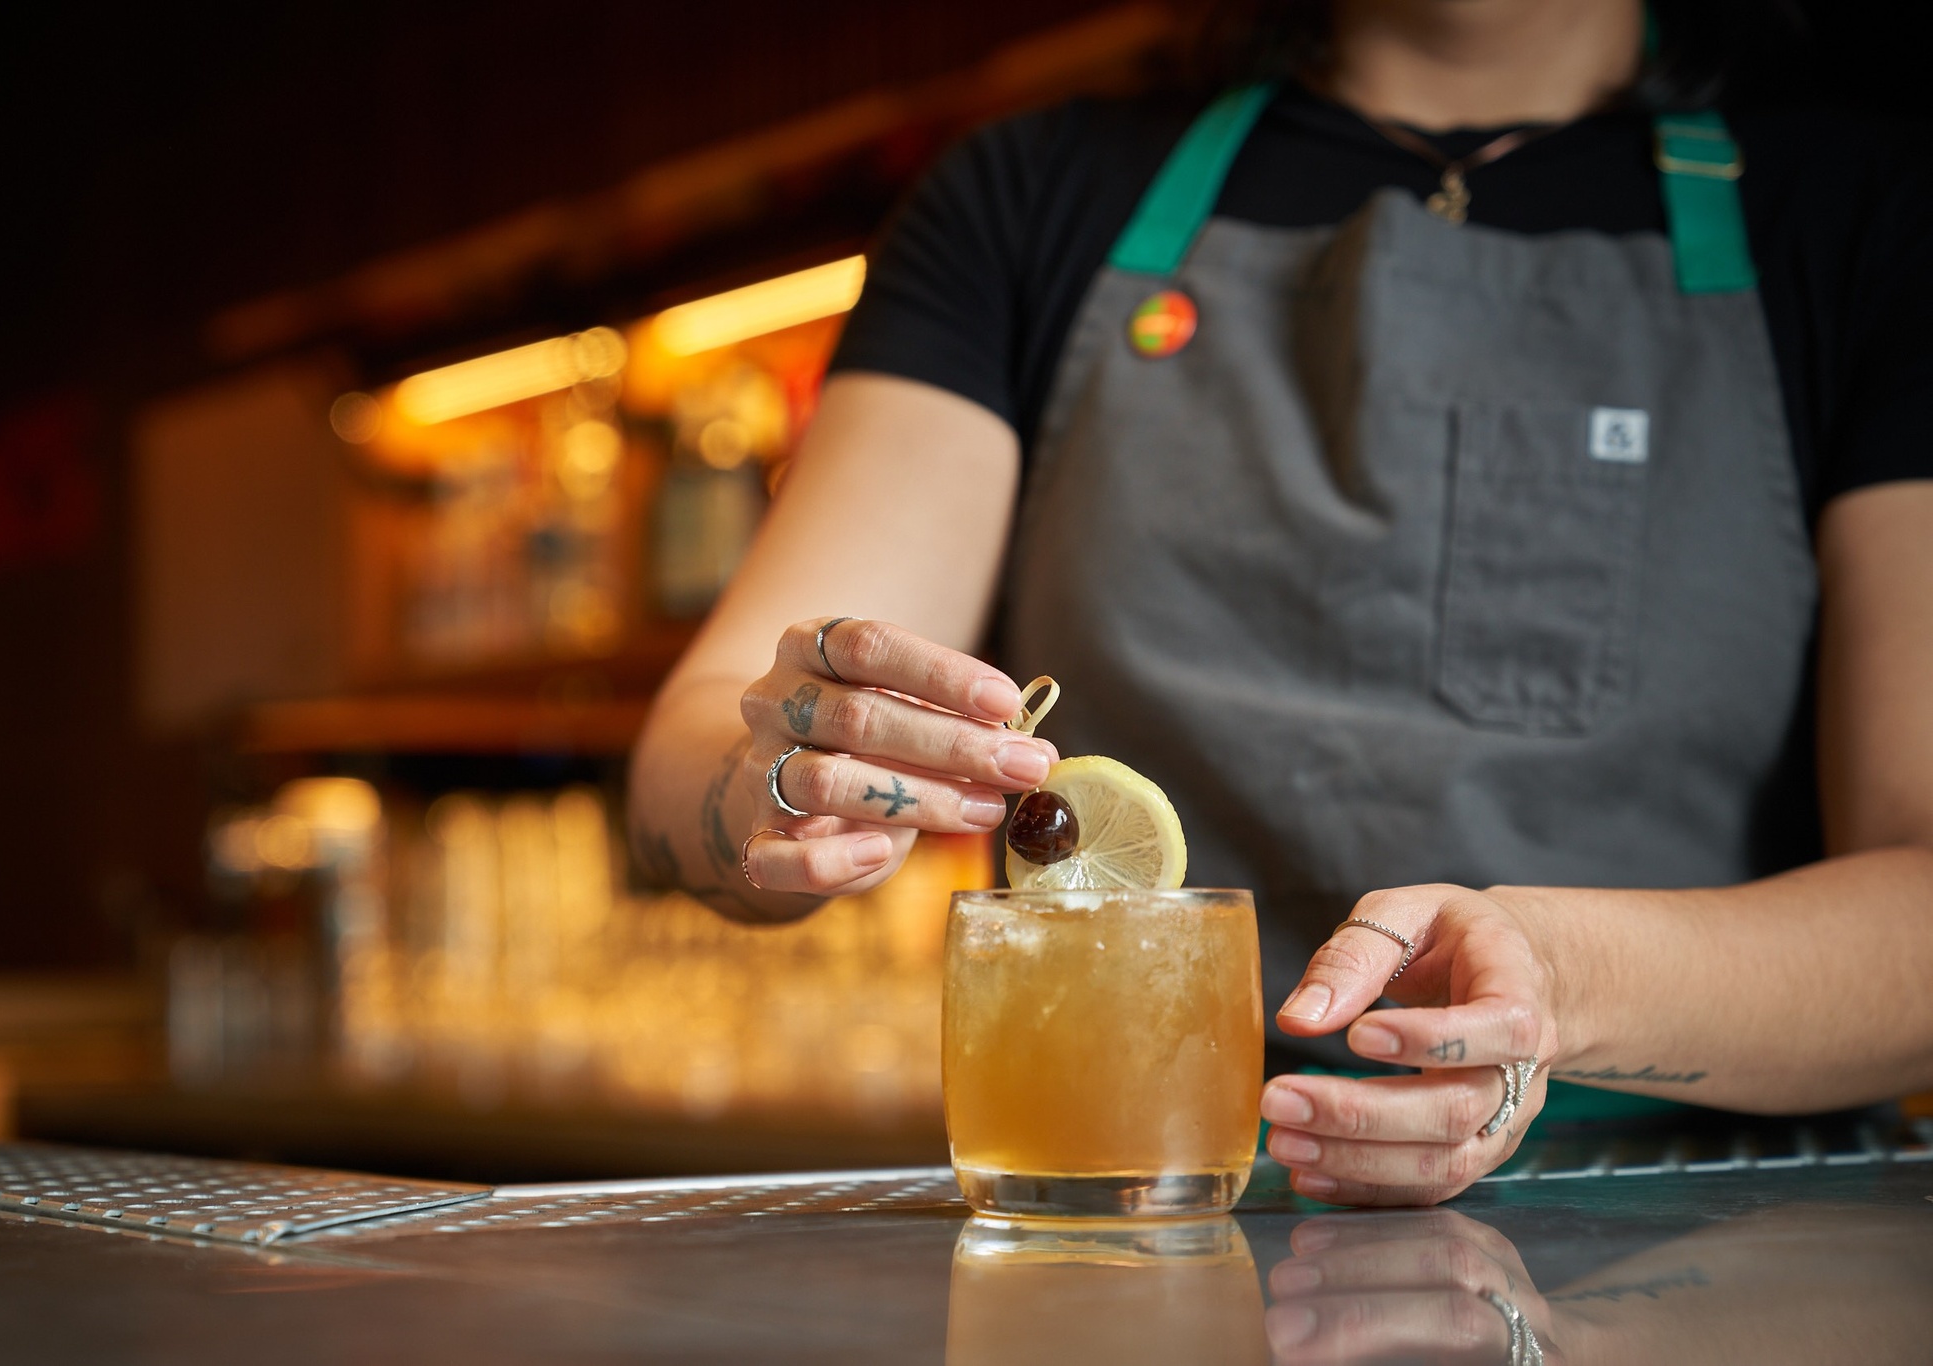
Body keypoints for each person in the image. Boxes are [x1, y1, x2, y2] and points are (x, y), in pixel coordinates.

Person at [627, 0, 1933, 1205]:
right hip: (1130, 1221)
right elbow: (701, 742)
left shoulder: (1859, 211)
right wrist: (768, 786)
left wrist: (1571, 978)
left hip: (1721, 1243)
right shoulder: (1027, 196)